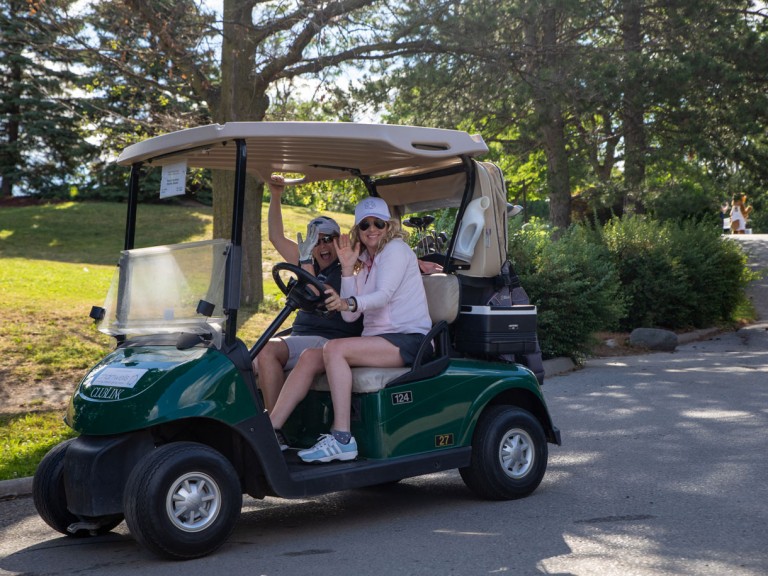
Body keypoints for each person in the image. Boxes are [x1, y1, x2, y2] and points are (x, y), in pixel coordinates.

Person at [269, 196, 433, 463]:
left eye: (378, 223)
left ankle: (342, 438)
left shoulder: (396, 250)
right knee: (310, 356)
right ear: (358, 229)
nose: (372, 229)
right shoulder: (366, 263)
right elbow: (350, 316)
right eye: (365, 225)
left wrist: (347, 302)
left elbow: (382, 296)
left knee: (334, 349)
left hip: (409, 339)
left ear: (388, 226)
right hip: (379, 340)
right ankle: (270, 431)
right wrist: (347, 269)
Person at [253, 176, 362, 422]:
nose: (322, 246)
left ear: (338, 241)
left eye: (328, 240)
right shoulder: (309, 261)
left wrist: (304, 261)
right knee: (247, 360)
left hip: (329, 340)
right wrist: (276, 195)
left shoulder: (345, 270)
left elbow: (315, 293)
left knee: (267, 350)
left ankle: (275, 430)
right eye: (316, 241)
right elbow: (276, 237)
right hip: (302, 336)